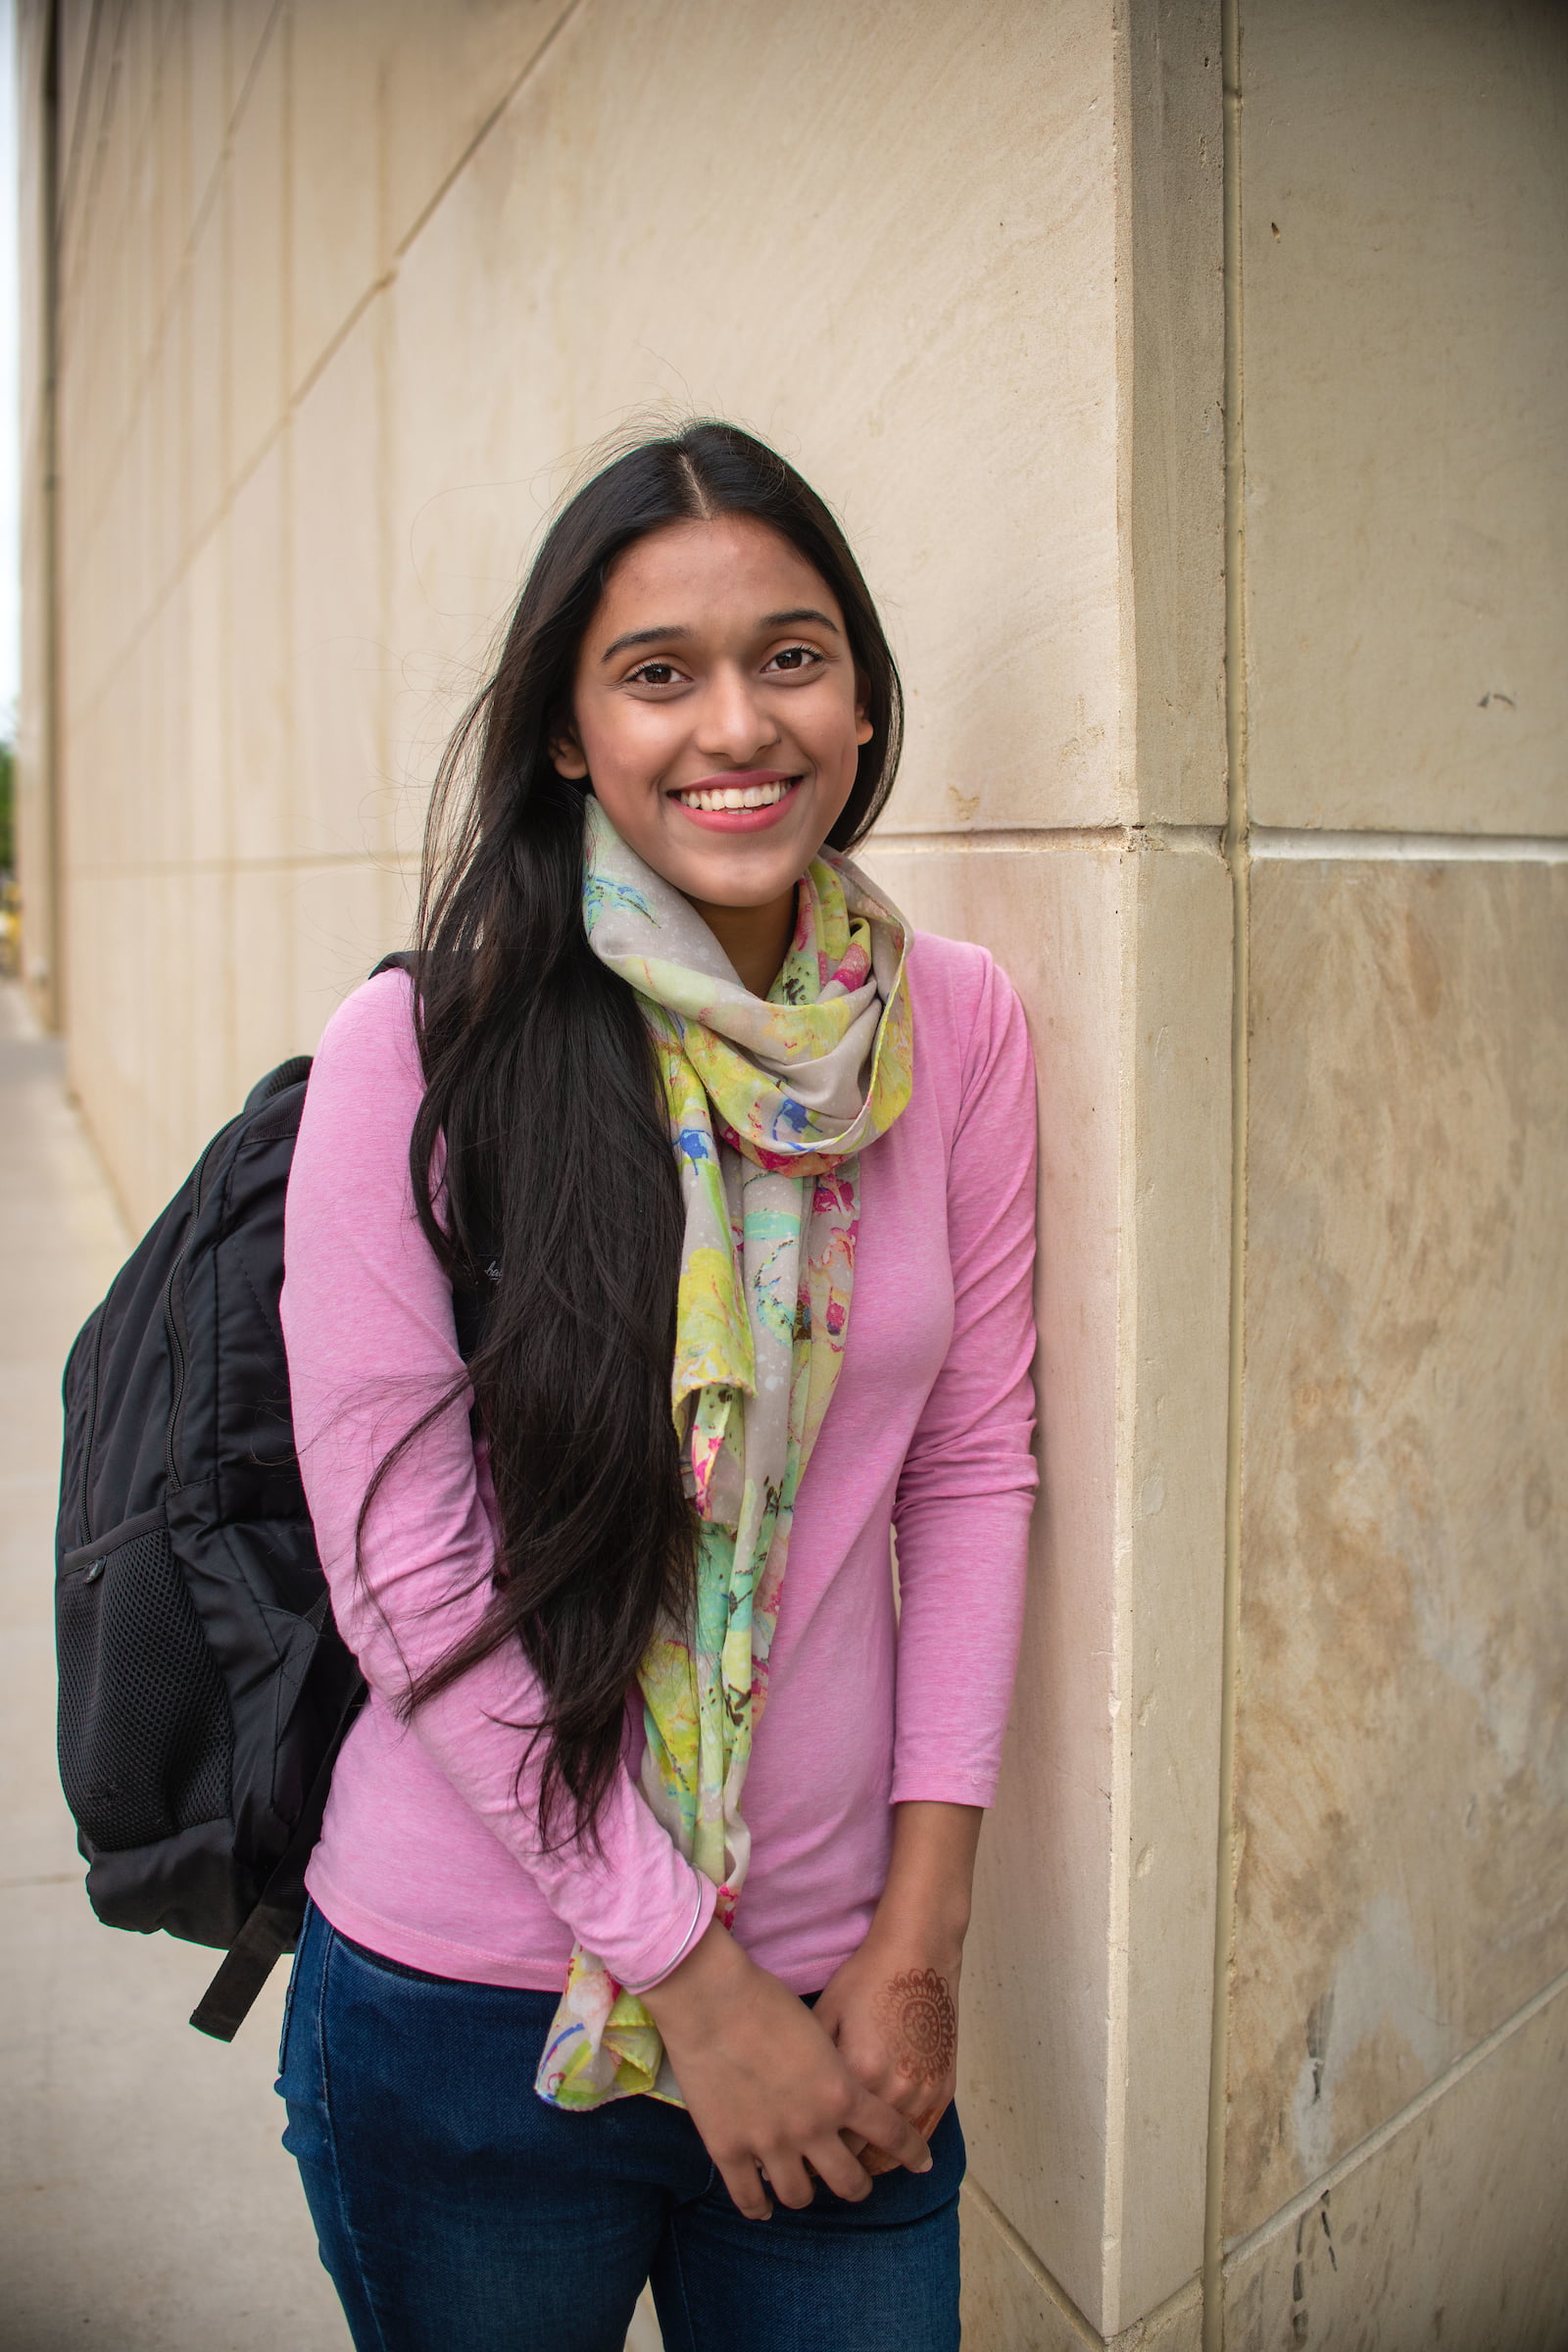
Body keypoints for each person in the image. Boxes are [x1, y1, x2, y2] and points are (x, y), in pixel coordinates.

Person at [275, 421, 1038, 2352]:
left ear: (860, 699)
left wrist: (916, 1940)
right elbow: (406, 1561)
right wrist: (692, 1996)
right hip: (468, 2014)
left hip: (846, 1996)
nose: (737, 724)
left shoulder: (949, 1029)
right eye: (657, 671)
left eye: (789, 656)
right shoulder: (420, 1051)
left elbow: (965, 1465)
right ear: (565, 731)